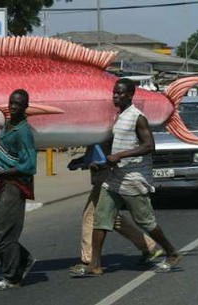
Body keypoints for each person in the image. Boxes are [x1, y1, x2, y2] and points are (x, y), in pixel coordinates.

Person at [70, 78, 182, 277]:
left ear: (130, 95)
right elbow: (115, 147)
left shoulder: (137, 117)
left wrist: (120, 156)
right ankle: (94, 265)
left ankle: (172, 252)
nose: (115, 96)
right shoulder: (118, 117)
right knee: (100, 219)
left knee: (145, 221)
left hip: (133, 179)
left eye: (119, 93)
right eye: (114, 92)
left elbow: (149, 146)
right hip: (114, 178)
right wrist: (97, 162)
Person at [67, 145, 163, 268]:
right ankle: (149, 246)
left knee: (91, 215)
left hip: (107, 177)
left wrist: (94, 163)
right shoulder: (101, 132)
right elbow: (97, 152)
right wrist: (84, 161)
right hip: (106, 176)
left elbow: (108, 154)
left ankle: (89, 259)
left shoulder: (107, 133)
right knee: (111, 218)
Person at [0, 89, 37, 291]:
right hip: (1, 182)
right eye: (12, 102)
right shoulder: (8, 125)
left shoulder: (23, 132)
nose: (14, 107)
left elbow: (30, 165)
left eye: (19, 104)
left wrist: (3, 172)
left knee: (5, 232)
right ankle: (23, 258)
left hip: (14, 185)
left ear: (25, 107)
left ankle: (11, 277)